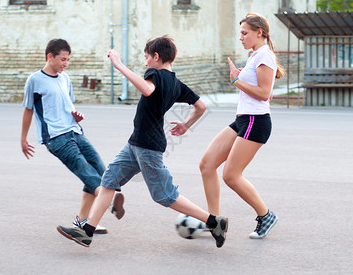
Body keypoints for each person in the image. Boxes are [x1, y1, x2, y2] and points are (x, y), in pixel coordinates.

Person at [56, 36, 229, 248]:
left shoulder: (154, 74)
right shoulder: (177, 83)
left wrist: (119, 65)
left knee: (165, 196)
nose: (146, 62)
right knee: (109, 179)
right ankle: (87, 231)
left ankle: (214, 222)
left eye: (147, 57)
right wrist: (186, 125)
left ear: (156, 57)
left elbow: (147, 90)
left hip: (148, 147)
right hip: (135, 144)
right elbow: (200, 106)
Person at [20, 38, 125, 234]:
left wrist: (76, 116)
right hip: (56, 138)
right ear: (50, 57)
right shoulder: (35, 80)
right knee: (86, 171)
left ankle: (82, 221)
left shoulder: (64, 78)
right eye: (63, 59)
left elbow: (68, 106)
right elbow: (28, 110)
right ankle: (110, 205)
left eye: (68, 60)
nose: (65, 64)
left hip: (75, 131)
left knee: (100, 170)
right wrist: (23, 139)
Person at [199, 13, 284, 239]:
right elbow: (269, 93)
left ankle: (265, 215)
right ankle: (214, 221)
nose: (241, 37)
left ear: (259, 32)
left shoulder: (264, 55)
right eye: (240, 33)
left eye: (244, 33)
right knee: (207, 164)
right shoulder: (255, 55)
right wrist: (240, 78)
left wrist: (237, 81)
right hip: (243, 119)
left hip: (255, 121)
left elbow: (265, 94)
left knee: (231, 175)